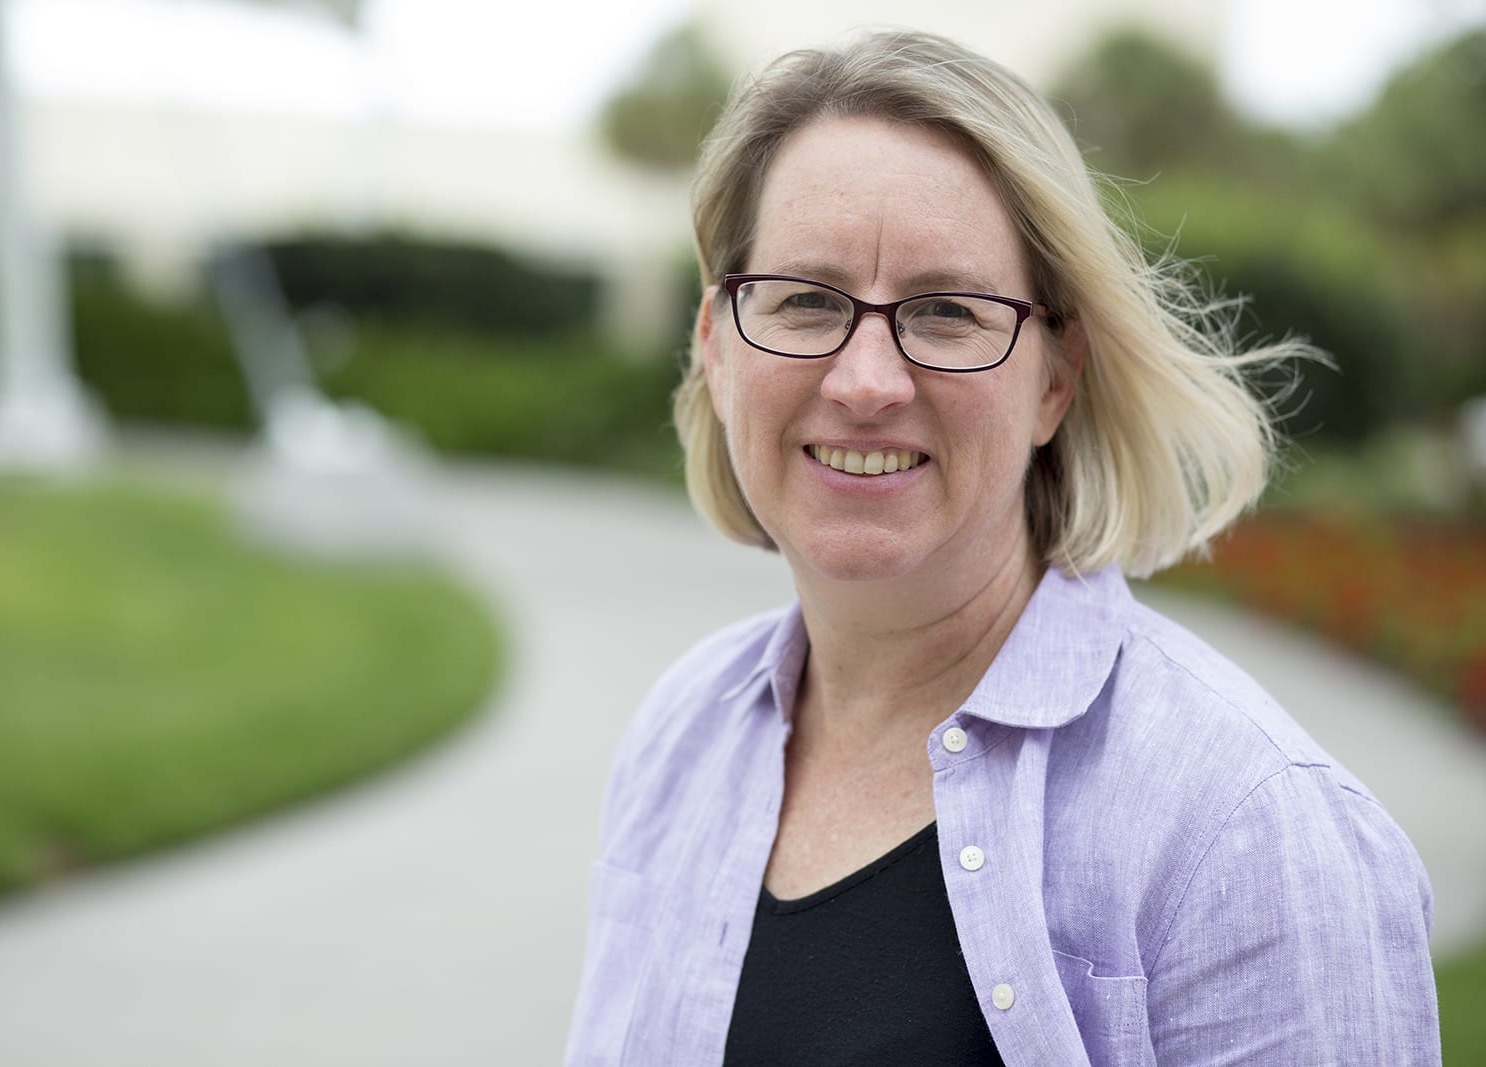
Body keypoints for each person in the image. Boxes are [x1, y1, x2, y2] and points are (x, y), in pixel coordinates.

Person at [565, 29, 1440, 1067]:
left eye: (944, 311)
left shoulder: (1247, 830)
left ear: (1056, 377)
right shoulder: (682, 735)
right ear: (715, 344)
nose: (865, 382)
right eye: (804, 300)